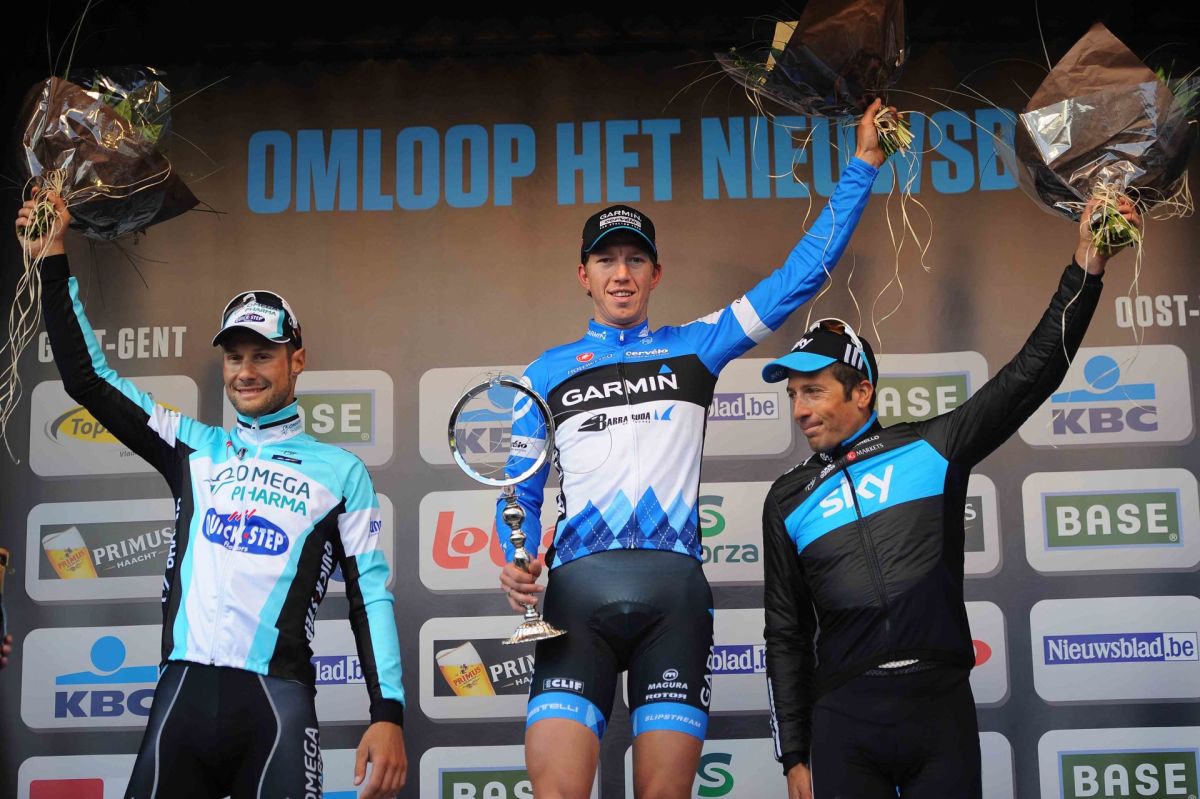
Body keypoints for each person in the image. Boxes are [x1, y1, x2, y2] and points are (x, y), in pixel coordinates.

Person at [497, 102, 889, 798]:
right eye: (606, 259)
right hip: (574, 599)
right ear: (583, 274)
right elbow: (517, 494)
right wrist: (515, 557)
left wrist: (862, 165)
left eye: (635, 259)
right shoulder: (543, 373)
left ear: (657, 273)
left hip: (673, 602)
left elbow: (800, 276)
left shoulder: (696, 346)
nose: (621, 273)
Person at [17, 195, 408, 799]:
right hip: (183, 696)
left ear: (297, 360)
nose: (245, 371)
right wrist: (51, 256)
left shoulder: (341, 472)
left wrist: (388, 714)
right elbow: (88, 380)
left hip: (275, 705)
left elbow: (370, 598)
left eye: (263, 355)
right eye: (234, 357)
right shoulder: (194, 448)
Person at [760, 197, 1141, 798]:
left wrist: (1087, 267)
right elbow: (785, 633)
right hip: (843, 719)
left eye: (814, 391)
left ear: (862, 392)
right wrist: (794, 756)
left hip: (937, 710)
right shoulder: (786, 498)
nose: (800, 409)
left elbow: (1033, 372)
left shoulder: (930, 449)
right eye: (793, 396)